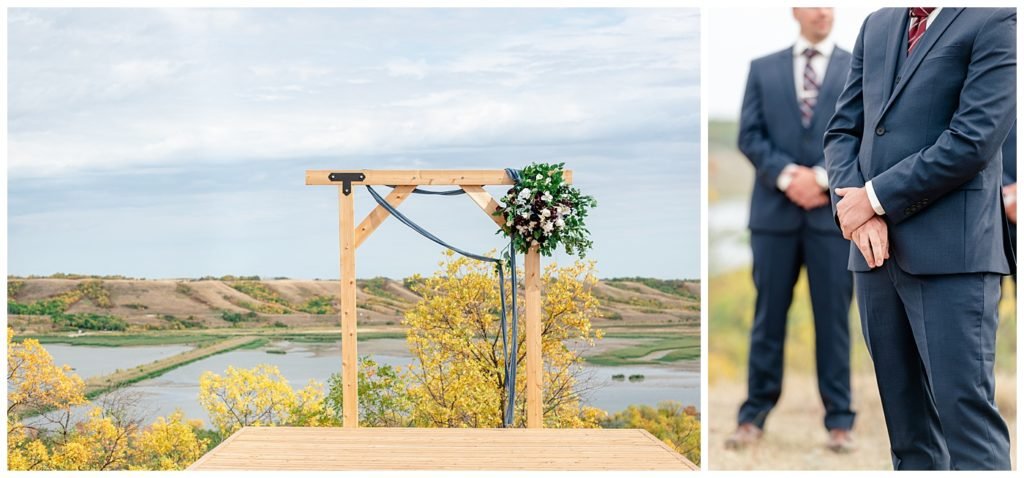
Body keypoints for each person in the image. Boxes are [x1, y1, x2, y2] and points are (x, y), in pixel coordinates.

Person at [824, 7, 1015, 470]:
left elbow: (973, 140)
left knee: (966, 424)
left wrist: (874, 198)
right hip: (872, 256)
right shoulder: (877, 24)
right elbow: (843, 130)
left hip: (954, 256)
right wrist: (859, 213)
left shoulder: (996, 21)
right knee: (908, 435)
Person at [726, 7, 855, 453]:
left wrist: (821, 178)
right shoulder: (761, 69)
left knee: (834, 322)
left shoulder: (858, 64)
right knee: (768, 320)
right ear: (794, 10)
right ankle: (753, 417)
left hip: (834, 217)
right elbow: (749, 135)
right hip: (773, 218)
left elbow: (864, 135)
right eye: (815, 3)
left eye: (831, 4)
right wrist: (788, 177)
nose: (824, 11)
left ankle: (840, 422)